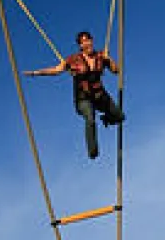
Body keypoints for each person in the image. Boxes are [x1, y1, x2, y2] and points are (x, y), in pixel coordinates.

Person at [23, 31, 124, 160]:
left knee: (120, 117)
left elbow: (116, 71)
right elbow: (56, 70)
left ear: (92, 41)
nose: (87, 44)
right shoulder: (73, 60)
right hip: (83, 98)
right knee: (90, 118)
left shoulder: (100, 56)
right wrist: (36, 73)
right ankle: (93, 151)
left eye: (88, 40)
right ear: (80, 46)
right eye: (83, 42)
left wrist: (108, 58)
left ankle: (106, 118)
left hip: (100, 96)